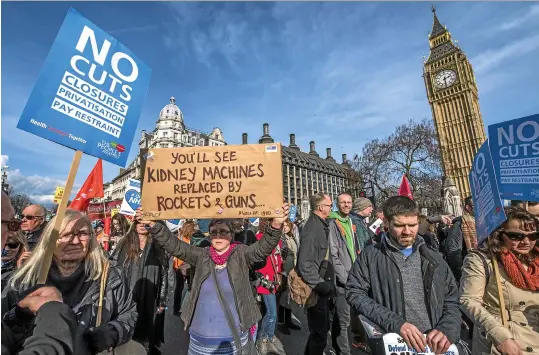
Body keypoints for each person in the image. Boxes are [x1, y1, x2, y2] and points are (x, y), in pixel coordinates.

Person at [135, 204, 289, 355]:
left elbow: (264, 247)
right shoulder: (201, 255)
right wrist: (153, 225)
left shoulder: (241, 254)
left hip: (233, 341)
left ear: (231, 234)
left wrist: (276, 224)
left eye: (223, 231)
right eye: (214, 232)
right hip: (199, 343)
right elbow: (174, 245)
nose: (219, 236)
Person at [3, 209, 137, 355]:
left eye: (83, 233)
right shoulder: (23, 280)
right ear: (50, 240)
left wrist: (113, 332)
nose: (75, 241)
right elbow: (4, 330)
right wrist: (19, 315)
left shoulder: (110, 276)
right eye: (65, 235)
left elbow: (128, 314)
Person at [346, 196, 461, 354]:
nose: (407, 231)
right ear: (386, 223)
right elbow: (354, 293)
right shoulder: (370, 256)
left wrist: (447, 328)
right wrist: (396, 323)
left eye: (412, 225)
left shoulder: (434, 258)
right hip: (393, 345)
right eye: (400, 225)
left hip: (433, 347)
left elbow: (452, 299)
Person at [460, 207, 539, 355]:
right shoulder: (483, 259)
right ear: (499, 234)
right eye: (516, 236)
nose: (526, 242)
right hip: (504, 343)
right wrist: (500, 336)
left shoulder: (535, 260)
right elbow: (468, 301)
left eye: (533, 235)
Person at [110, 216, 170, 354]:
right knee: (127, 331)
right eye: (139, 222)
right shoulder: (124, 244)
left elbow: (164, 274)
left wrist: (162, 301)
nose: (142, 225)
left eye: (145, 222)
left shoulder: (158, 245)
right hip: (127, 296)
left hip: (150, 297)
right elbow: (112, 267)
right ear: (134, 224)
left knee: (147, 333)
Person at [297, 193, 336, 355]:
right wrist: (322, 286)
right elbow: (304, 264)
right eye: (329, 206)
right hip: (316, 290)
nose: (331, 208)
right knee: (319, 335)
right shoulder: (312, 228)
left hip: (322, 287)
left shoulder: (321, 225)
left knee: (320, 332)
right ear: (320, 208)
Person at [328, 193, 359, 355]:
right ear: (337, 204)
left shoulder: (350, 221)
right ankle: (344, 351)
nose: (347, 205)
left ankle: (336, 345)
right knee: (344, 318)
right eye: (343, 202)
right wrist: (345, 279)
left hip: (352, 275)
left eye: (349, 202)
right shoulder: (333, 223)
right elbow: (334, 255)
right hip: (343, 279)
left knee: (342, 318)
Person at [255, 219, 285, 355]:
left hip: (275, 279)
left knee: (273, 312)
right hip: (265, 281)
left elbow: (278, 260)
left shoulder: (278, 240)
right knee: (272, 312)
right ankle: (263, 339)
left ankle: (269, 335)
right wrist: (265, 279)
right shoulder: (259, 238)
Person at [443, 196, 477, 284]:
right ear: (468, 207)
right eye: (476, 205)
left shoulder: (480, 222)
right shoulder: (459, 224)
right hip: (468, 268)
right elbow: (453, 251)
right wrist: (460, 275)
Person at [278, 219, 301, 332]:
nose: (286, 227)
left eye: (288, 225)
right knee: (283, 297)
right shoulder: (281, 239)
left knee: (289, 297)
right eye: (284, 225)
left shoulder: (291, 237)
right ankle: (282, 322)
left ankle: (288, 320)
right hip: (285, 271)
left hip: (292, 270)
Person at [172, 221, 196, 315]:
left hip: (180, 266)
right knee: (185, 288)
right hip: (183, 266)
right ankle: (180, 309)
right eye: (193, 229)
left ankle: (177, 309)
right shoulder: (185, 239)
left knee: (180, 288)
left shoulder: (180, 238)